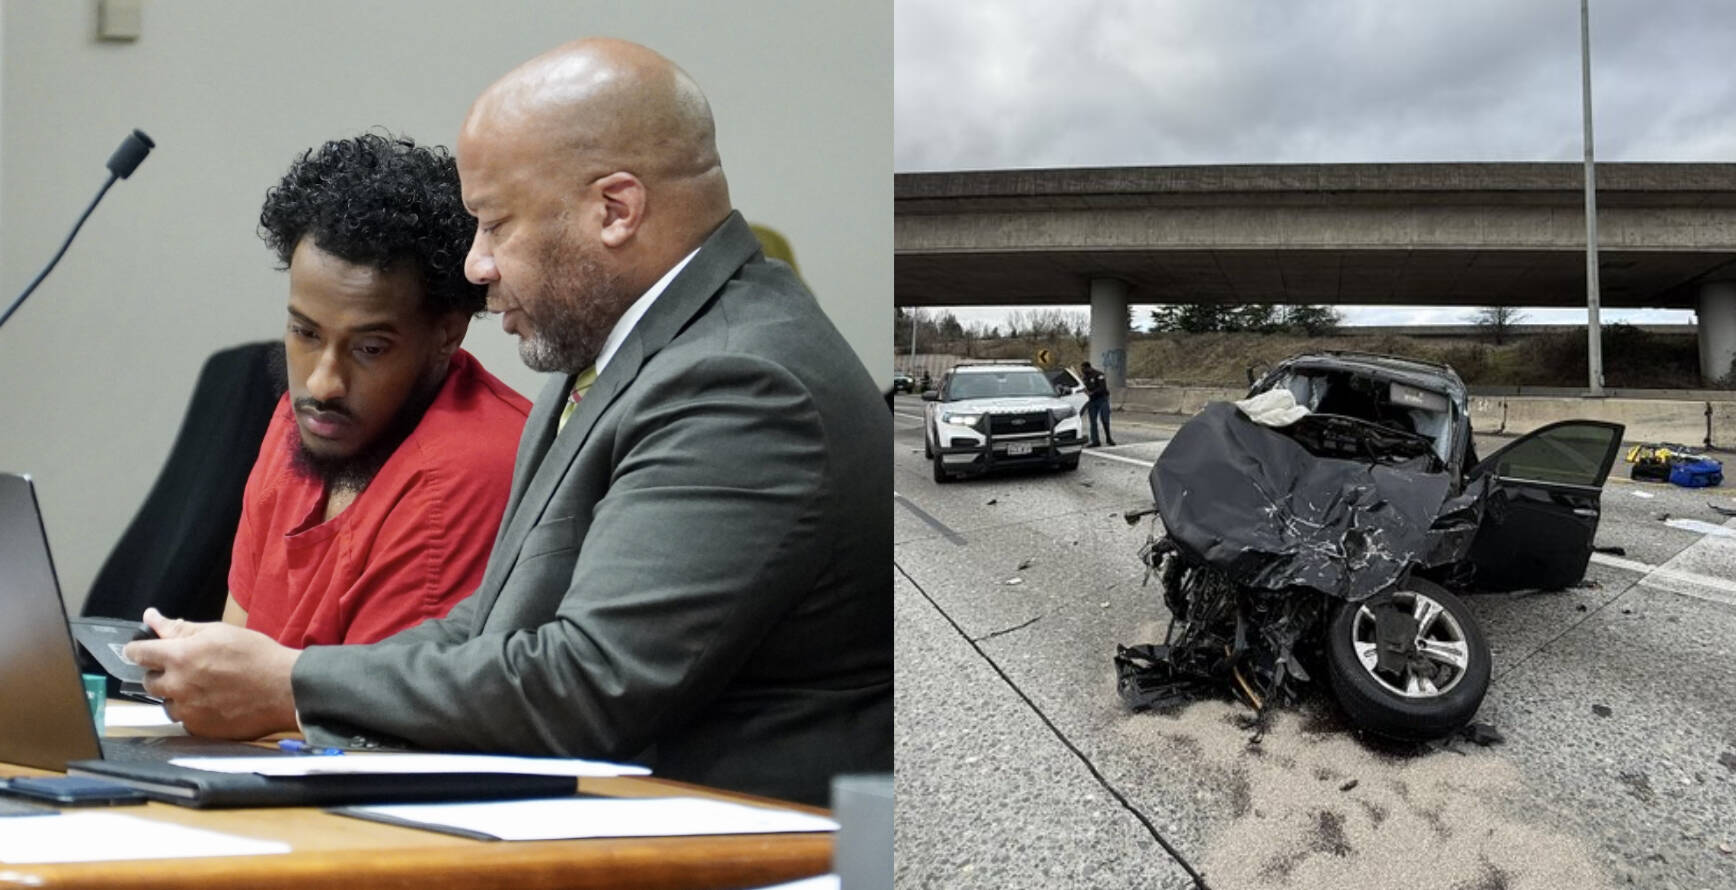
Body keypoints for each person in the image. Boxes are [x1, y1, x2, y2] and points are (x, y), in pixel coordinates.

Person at [127, 38, 891, 807]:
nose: (475, 265)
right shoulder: (615, 356)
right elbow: (490, 628)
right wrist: (284, 676)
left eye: (495, 224)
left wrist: (294, 684)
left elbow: (589, 684)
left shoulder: (741, 382)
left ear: (615, 210)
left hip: (749, 844)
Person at [232, 134, 531, 647]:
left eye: (369, 349)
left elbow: (380, 713)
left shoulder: (472, 469)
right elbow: (229, 657)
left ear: (447, 335)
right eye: (305, 333)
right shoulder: (304, 419)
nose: (322, 383)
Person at [1081, 360, 1115, 447]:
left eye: (1084, 369)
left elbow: (1103, 388)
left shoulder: (1099, 375)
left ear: (1088, 368)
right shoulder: (1084, 378)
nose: (1083, 371)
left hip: (1102, 399)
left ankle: (1109, 438)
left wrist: (1092, 392)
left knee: (1104, 419)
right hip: (1091, 401)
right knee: (1093, 421)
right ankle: (1095, 441)